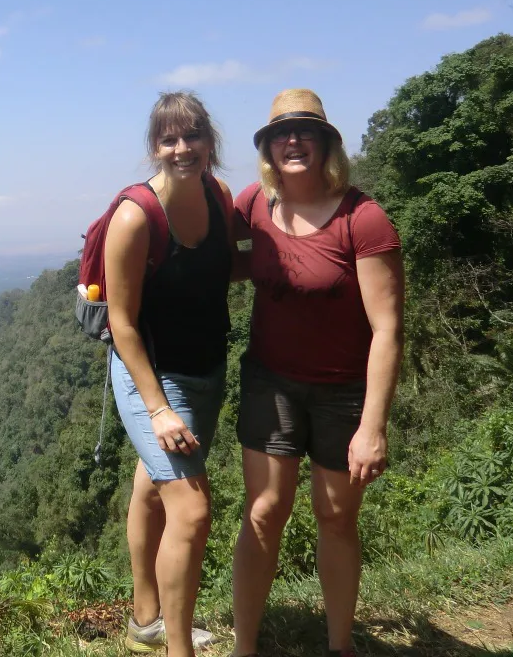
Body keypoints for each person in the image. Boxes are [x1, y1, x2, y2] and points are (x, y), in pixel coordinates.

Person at [230, 89, 404, 657]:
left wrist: (372, 427)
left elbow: (387, 329)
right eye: (282, 133)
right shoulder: (253, 203)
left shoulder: (364, 218)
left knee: (335, 517)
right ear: (268, 148)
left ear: (327, 142)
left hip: (342, 391)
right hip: (270, 382)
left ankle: (339, 646)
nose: (293, 141)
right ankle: (244, 647)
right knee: (264, 510)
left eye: (306, 131)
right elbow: (207, 248)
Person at [104, 91, 235, 656]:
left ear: (210, 142)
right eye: (169, 138)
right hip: (150, 376)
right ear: (154, 147)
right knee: (192, 506)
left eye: (193, 136)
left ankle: (145, 621)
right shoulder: (135, 217)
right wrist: (158, 409)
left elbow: (222, 269)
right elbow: (122, 323)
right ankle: (177, 648)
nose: (182, 148)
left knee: (152, 490)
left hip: (207, 367)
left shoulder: (218, 193)